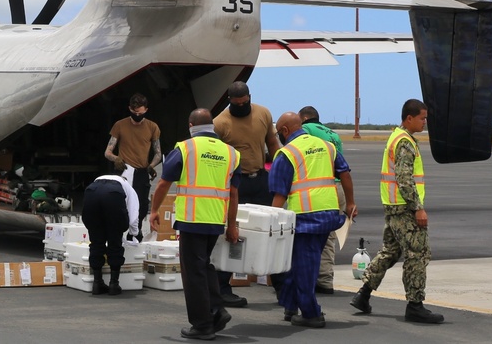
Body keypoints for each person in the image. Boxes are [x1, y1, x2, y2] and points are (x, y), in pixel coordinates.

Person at [350, 99, 444, 324]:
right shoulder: (404, 142)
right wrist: (418, 208)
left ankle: (363, 294)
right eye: (422, 118)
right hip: (405, 209)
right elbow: (404, 179)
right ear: (409, 118)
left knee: (390, 252)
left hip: (393, 207)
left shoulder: (396, 136)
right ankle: (415, 305)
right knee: (417, 254)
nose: (425, 122)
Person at [149, 108, 241, 340]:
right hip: (215, 220)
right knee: (204, 266)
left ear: (191, 125)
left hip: (192, 219)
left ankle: (203, 324)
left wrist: (153, 210)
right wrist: (232, 224)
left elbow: (163, 183)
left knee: (193, 272)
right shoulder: (231, 153)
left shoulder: (185, 148)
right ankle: (216, 310)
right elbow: (234, 193)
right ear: (212, 126)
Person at [271, 111, 357, 327]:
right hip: (328, 214)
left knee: (305, 267)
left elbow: (279, 195)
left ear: (284, 131)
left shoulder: (287, 153)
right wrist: (351, 203)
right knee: (295, 262)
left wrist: (269, 221)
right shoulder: (326, 146)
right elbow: (344, 173)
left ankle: (311, 314)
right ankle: (290, 305)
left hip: (305, 219)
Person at [211, 81, 282, 306]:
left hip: (261, 179)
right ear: (229, 101)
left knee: (271, 232)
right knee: (231, 236)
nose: (242, 107)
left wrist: (280, 169)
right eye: (237, 104)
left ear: (250, 97)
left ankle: (282, 289)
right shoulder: (220, 123)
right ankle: (223, 289)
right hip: (235, 185)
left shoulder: (263, 113)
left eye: (245, 103)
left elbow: (272, 142)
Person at [297, 105, 346, 295]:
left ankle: (305, 278)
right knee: (330, 238)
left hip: (322, 190)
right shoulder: (334, 134)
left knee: (307, 236)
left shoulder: (306, 131)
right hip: (338, 187)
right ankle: (325, 278)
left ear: (304, 119)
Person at [105, 93, 162, 242]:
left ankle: (134, 233)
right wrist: (116, 158)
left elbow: (157, 153)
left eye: (140, 113)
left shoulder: (152, 127)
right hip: (124, 169)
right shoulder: (120, 125)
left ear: (146, 110)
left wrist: (151, 165)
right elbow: (108, 152)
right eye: (134, 112)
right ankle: (117, 232)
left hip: (141, 171)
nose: (137, 115)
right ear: (129, 109)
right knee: (119, 202)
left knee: (142, 205)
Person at [80, 159, 140, 295]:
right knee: (115, 241)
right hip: (113, 197)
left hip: (91, 193)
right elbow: (133, 214)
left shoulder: (98, 180)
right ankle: (114, 284)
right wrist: (134, 233)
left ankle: (97, 283)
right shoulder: (126, 185)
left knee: (96, 242)